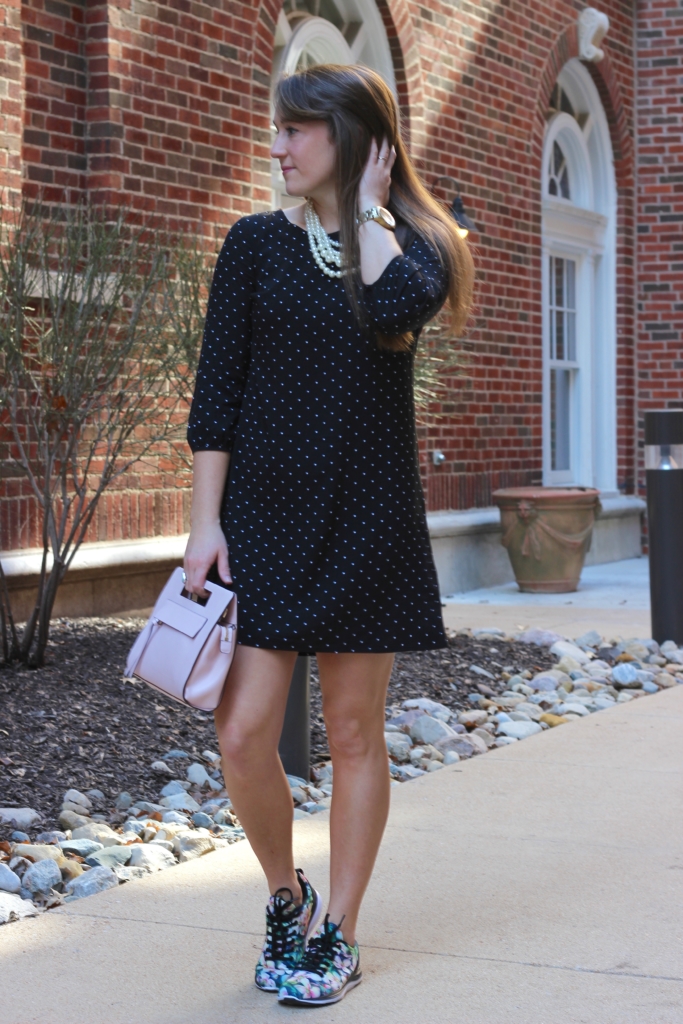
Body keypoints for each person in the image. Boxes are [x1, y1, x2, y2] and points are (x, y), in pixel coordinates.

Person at [184, 63, 474, 1007]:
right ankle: (286, 897)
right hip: (261, 525)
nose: (276, 147)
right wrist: (200, 527)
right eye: (276, 130)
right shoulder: (253, 245)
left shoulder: (414, 246)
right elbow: (215, 400)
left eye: (295, 132)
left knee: (353, 733)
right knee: (240, 731)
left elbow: (394, 311)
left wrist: (372, 213)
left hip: (365, 520)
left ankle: (338, 931)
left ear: (351, 141)